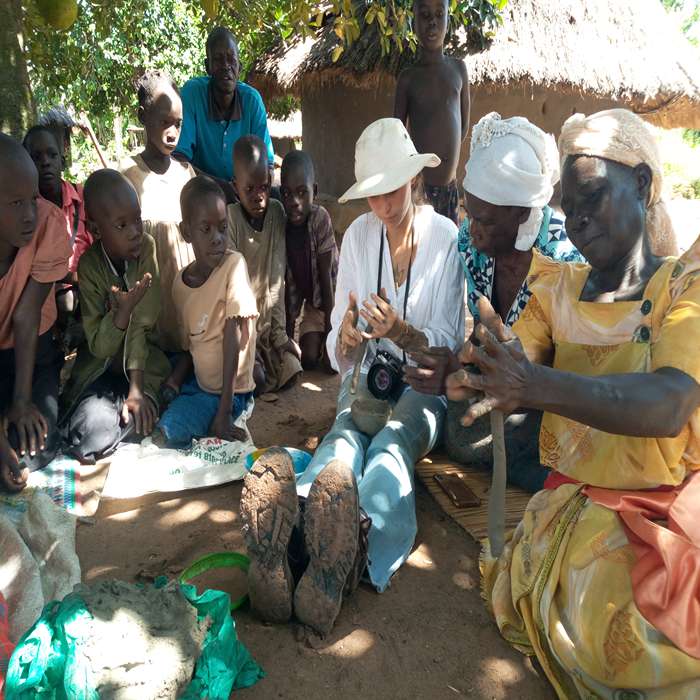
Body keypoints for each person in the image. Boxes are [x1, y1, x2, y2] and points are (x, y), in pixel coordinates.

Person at [446, 108, 700, 698]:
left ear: (642, 184)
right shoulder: (554, 289)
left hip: (670, 506)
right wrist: (468, 373)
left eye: (592, 196)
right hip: (581, 505)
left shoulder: (682, 289)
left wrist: (536, 385)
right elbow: (511, 363)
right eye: (568, 205)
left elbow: (669, 403)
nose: (578, 219)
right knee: (604, 616)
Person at [240, 119, 464, 635]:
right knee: (344, 436)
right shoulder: (361, 236)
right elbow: (346, 343)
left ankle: (347, 545)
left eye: (391, 190)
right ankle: (296, 533)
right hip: (368, 377)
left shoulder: (446, 238)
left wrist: (403, 333)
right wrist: (345, 342)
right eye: (372, 196)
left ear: (413, 180)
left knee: (391, 443)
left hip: (424, 384)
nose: (382, 206)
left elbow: (447, 348)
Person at [405, 113, 583, 492]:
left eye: (484, 219)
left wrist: (499, 380)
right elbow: (484, 339)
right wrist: (457, 367)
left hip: (554, 396)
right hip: (505, 389)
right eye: (469, 212)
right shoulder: (472, 246)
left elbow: (573, 372)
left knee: (537, 452)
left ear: (522, 213)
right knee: (462, 436)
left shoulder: (565, 261)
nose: (472, 226)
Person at [61, 170, 170, 462]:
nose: (135, 230)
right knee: (90, 433)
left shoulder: (147, 247)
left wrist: (136, 390)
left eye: (137, 219)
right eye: (122, 225)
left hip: (144, 368)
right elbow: (99, 346)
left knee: (135, 413)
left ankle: (140, 404)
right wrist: (122, 312)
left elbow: (143, 322)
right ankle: (121, 414)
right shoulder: (90, 266)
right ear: (96, 230)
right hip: (102, 370)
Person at [153, 176, 258, 447]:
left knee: (171, 430)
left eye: (223, 228)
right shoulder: (180, 284)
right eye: (206, 229)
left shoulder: (233, 265)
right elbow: (193, 344)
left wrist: (223, 413)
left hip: (229, 392)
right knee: (157, 415)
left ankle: (229, 408)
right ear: (186, 232)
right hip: (200, 384)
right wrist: (176, 380)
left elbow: (232, 336)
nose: (217, 239)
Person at [0, 133, 71, 492]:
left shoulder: (50, 224)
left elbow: (27, 316)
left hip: (32, 354)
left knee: (32, 446)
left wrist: (23, 402)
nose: (30, 215)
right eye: (16, 203)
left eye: (33, 199)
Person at [121, 70, 196, 355]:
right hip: (149, 300)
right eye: (164, 122)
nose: (173, 132)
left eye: (178, 124)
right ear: (142, 116)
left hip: (186, 297)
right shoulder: (127, 176)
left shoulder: (185, 173)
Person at [227, 135, 302, 394]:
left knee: (293, 369)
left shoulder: (277, 213)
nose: (259, 196)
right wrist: (248, 344)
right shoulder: (231, 219)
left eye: (264, 187)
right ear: (235, 186)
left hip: (270, 326)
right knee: (255, 379)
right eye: (249, 189)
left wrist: (280, 336)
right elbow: (232, 291)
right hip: (242, 328)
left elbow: (276, 280)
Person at [174, 26, 274, 198]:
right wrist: (221, 188)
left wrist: (248, 194)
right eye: (218, 59)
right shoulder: (193, 94)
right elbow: (179, 161)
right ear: (208, 66)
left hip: (245, 196)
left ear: (239, 67)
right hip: (202, 196)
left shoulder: (252, 101)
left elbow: (268, 167)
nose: (226, 66)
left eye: (231, 60)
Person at [393, 0, 470, 225]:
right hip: (419, 191)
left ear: (449, 19)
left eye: (439, 14)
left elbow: (463, 127)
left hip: (451, 189)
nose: (432, 23)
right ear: (413, 21)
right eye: (424, 15)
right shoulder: (408, 78)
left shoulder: (459, 70)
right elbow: (397, 135)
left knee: (448, 250)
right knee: (421, 249)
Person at [280, 150, 338, 371]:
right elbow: (289, 285)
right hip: (313, 307)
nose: (294, 202)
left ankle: (331, 338)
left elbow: (326, 279)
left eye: (302, 193)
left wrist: (330, 336)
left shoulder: (320, 218)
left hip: (336, 302)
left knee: (332, 364)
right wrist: (287, 339)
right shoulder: (283, 227)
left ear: (314, 191)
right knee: (309, 360)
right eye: (286, 194)